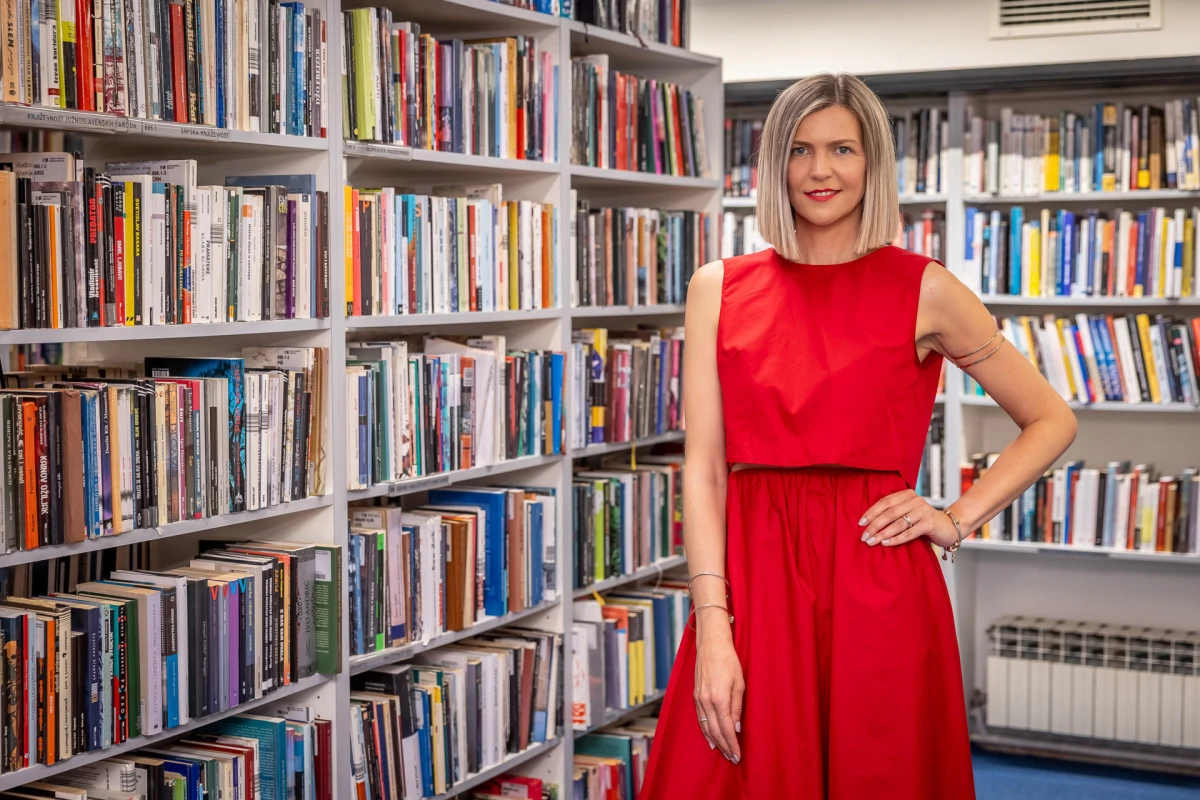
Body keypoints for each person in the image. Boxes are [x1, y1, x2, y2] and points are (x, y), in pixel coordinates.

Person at [636, 73, 1077, 799]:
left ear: (873, 163)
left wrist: (955, 518)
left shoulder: (926, 288)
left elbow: (1051, 418)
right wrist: (712, 624)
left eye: (842, 148)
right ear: (775, 163)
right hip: (755, 581)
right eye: (800, 149)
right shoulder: (718, 288)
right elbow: (706, 470)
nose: (821, 170)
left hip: (878, 579)